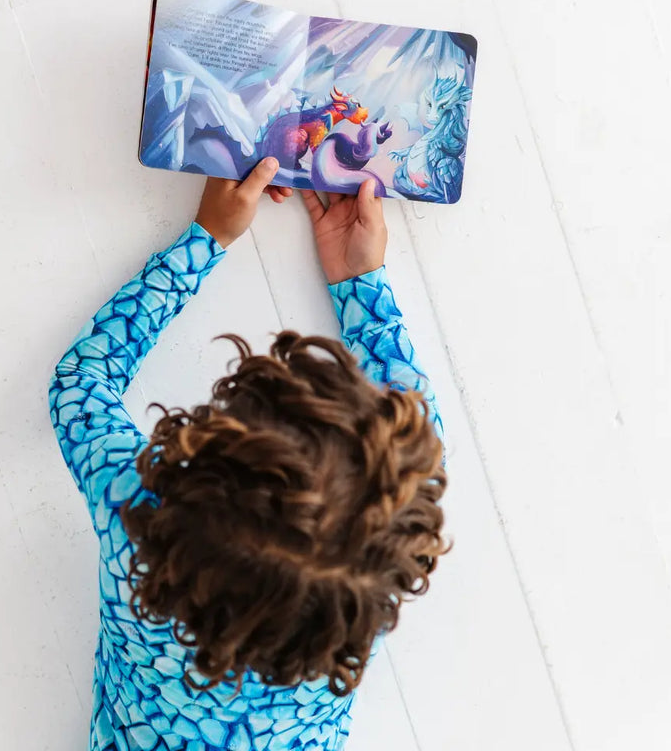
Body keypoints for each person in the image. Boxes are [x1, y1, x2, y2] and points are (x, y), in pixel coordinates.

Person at [49, 157, 449, 751]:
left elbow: (82, 381)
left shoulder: (137, 509)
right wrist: (357, 279)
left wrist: (206, 237)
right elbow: (418, 434)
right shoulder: (363, 592)